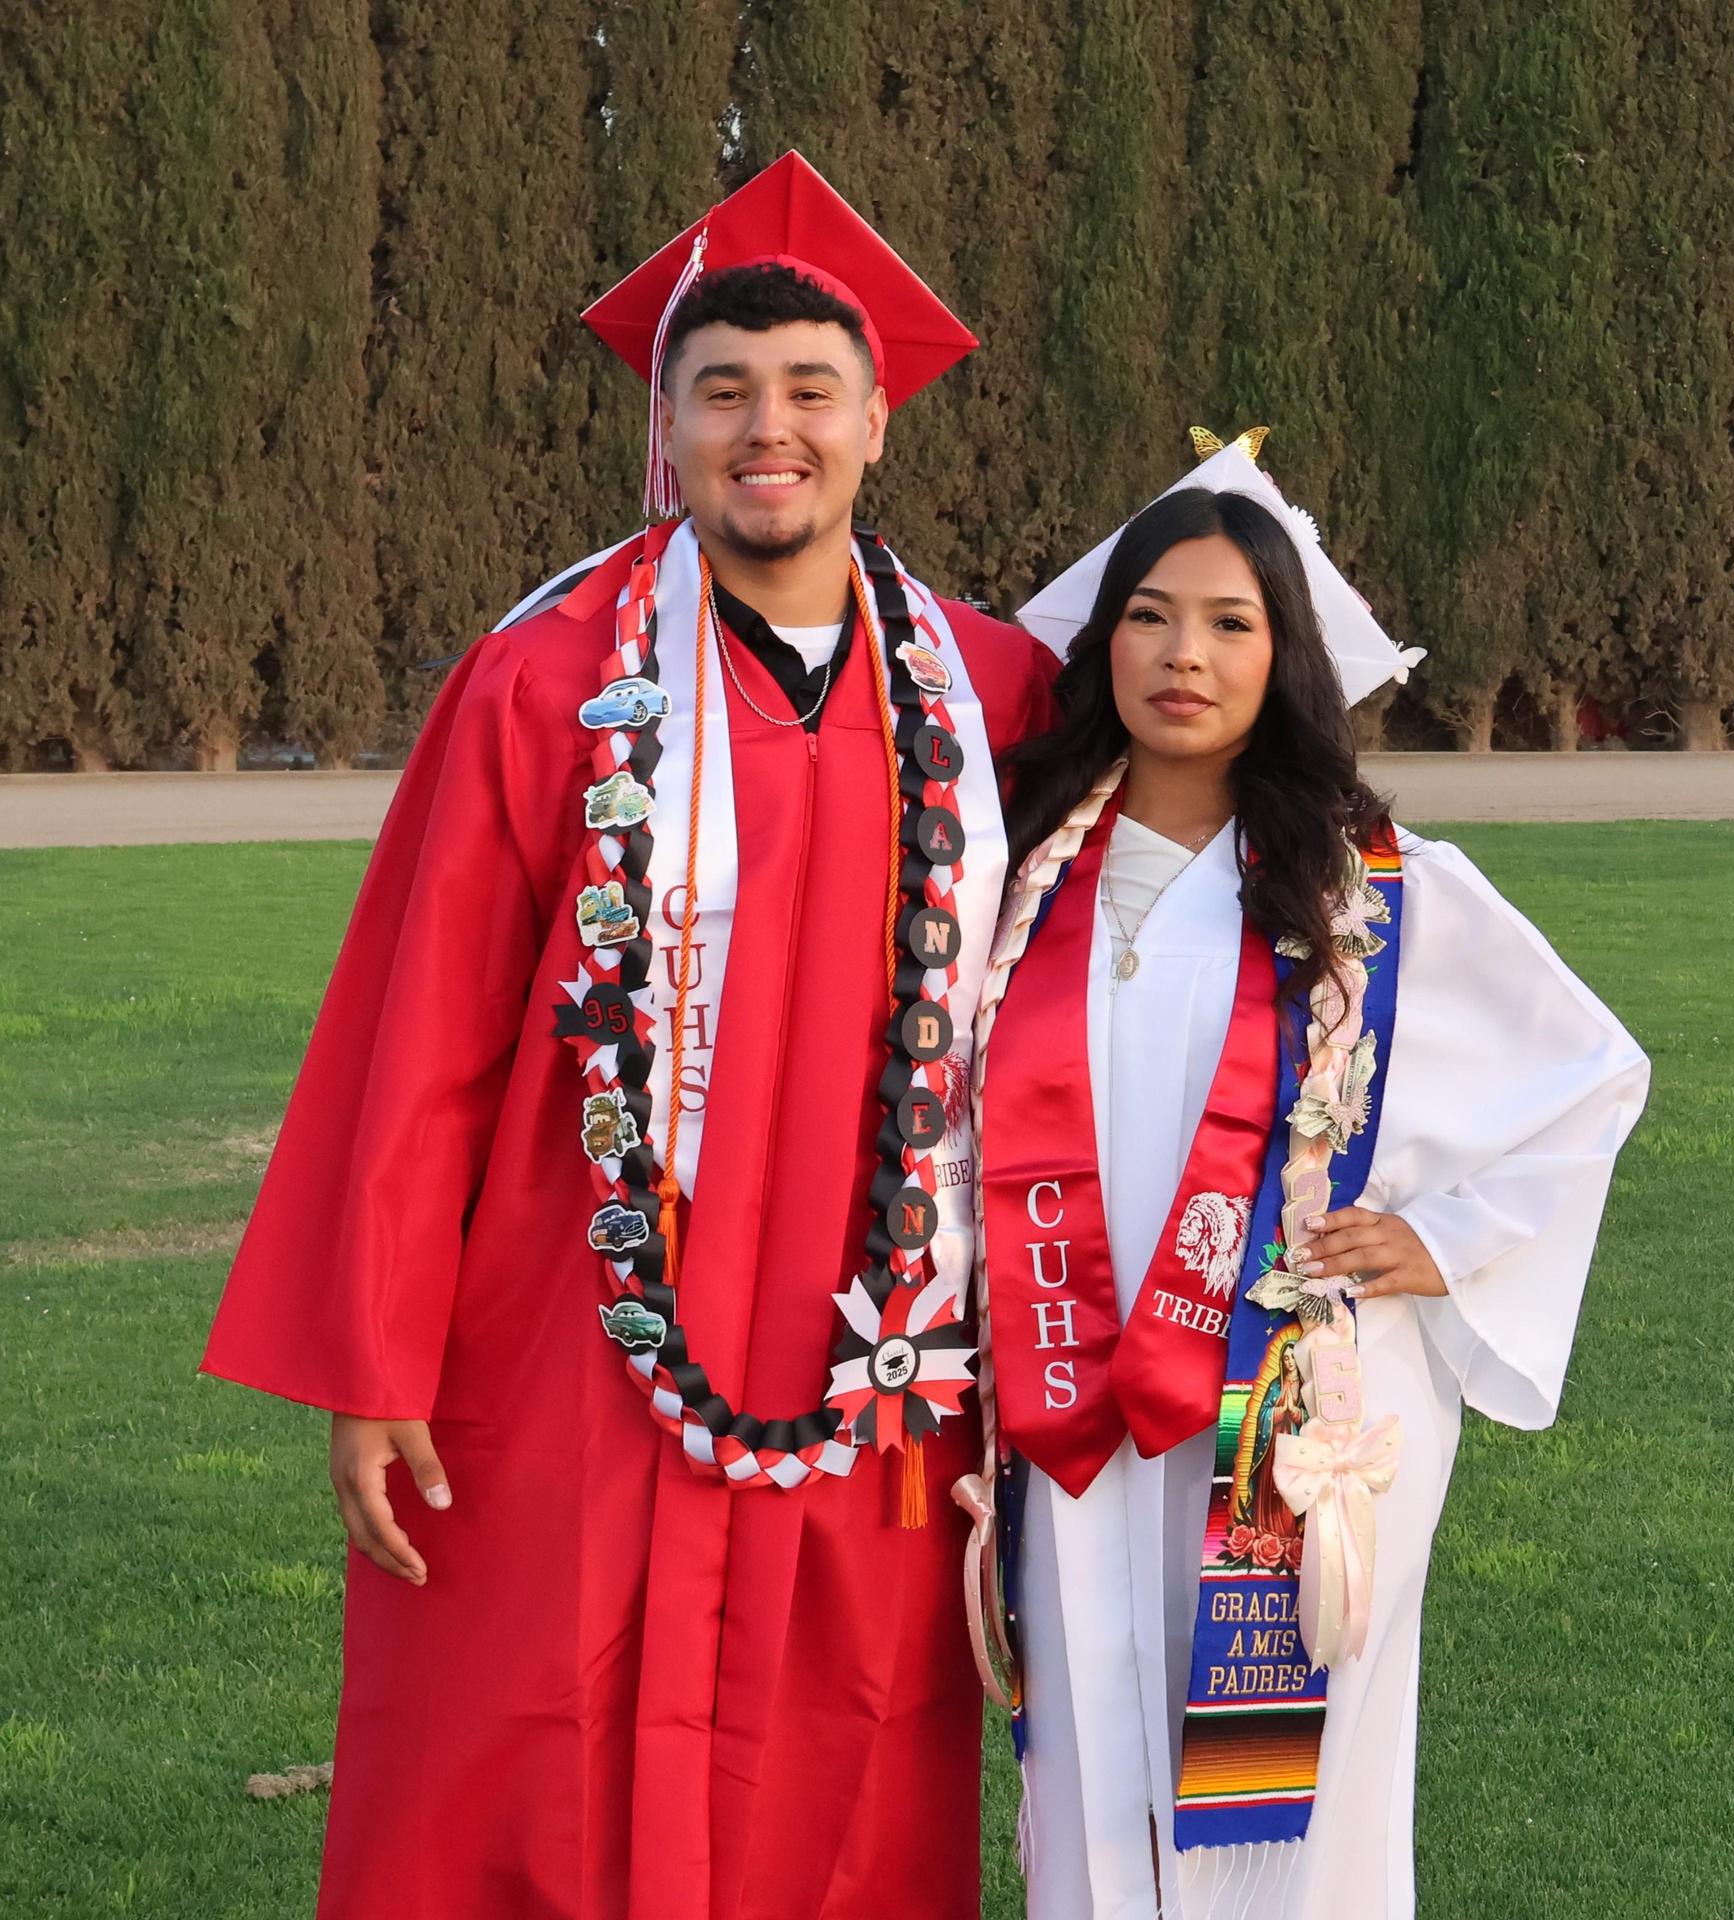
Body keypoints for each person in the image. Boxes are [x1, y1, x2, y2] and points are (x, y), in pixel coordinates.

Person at [201, 151, 1056, 1920]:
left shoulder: (988, 693)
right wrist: (375, 1359)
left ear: (877, 423)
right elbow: (418, 1032)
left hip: (866, 1351)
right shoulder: (547, 678)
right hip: (573, 1337)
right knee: (516, 1733)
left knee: (845, 1763)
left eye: (812, 392)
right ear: (665, 427)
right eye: (725, 392)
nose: (771, 430)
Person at [965, 445, 1649, 1918]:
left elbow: (1589, 1076)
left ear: (1286, 656)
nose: (1184, 656)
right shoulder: (1019, 876)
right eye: (1151, 616)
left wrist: (1447, 1239)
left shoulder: (1375, 891)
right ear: (1105, 646)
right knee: (1090, 1756)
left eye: (1230, 622)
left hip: (1293, 1401)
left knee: (1292, 1806)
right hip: (1073, 1380)